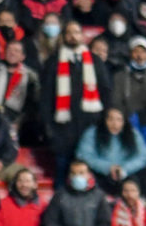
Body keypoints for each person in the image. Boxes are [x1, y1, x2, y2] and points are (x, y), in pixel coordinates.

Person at [41, 20, 111, 182]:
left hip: (90, 128)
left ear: (82, 36)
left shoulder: (95, 61)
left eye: (76, 32)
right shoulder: (53, 62)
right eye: (69, 32)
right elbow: (45, 98)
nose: (73, 36)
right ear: (63, 36)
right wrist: (49, 129)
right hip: (62, 131)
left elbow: (106, 93)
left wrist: (102, 124)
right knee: (61, 175)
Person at [76, 107, 146, 196]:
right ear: (104, 120)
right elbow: (83, 155)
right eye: (110, 119)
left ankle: (143, 203)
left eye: (119, 120)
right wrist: (108, 168)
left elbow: (142, 155)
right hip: (102, 173)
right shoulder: (92, 133)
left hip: (125, 173)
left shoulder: (133, 134)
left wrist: (125, 169)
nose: (114, 124)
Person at [0, 40, 40, 136]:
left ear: (23, 56)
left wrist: (19, 122)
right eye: (9, 50)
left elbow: (32, 104)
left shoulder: (31, 77)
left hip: (18, 120)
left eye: (16, 51)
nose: (12, 53)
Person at [112, 36, 146, 117]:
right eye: (136, 51)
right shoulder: (119, 77)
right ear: (130, 54)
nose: (139, 56)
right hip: (126, 120)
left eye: (143, 52)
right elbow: (116, 102)